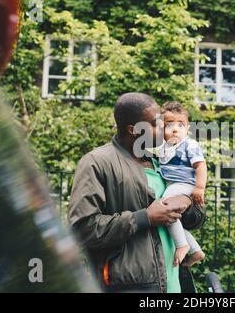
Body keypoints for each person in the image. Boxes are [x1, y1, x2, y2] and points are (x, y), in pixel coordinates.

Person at [68, 92, 192, 293]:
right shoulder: (96, 163)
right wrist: (145, 218)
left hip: (172, 285)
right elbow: (83, 228)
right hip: (131, 287)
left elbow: (195, 219)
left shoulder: (163, 162)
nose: (164, 127)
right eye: (155, 123)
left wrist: (187, 202)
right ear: (134, 130)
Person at [156, 102, 207, 267]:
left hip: (185, 184)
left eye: (180, 125)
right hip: (174, 185)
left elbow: (200, 165)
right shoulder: (163, 147)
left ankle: (181, 245)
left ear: (188, 128)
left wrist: (199, 188)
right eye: (169, 125)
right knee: (172, 219)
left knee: (165, 208)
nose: (175, 129)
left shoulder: (189, 144)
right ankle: (195, 250)